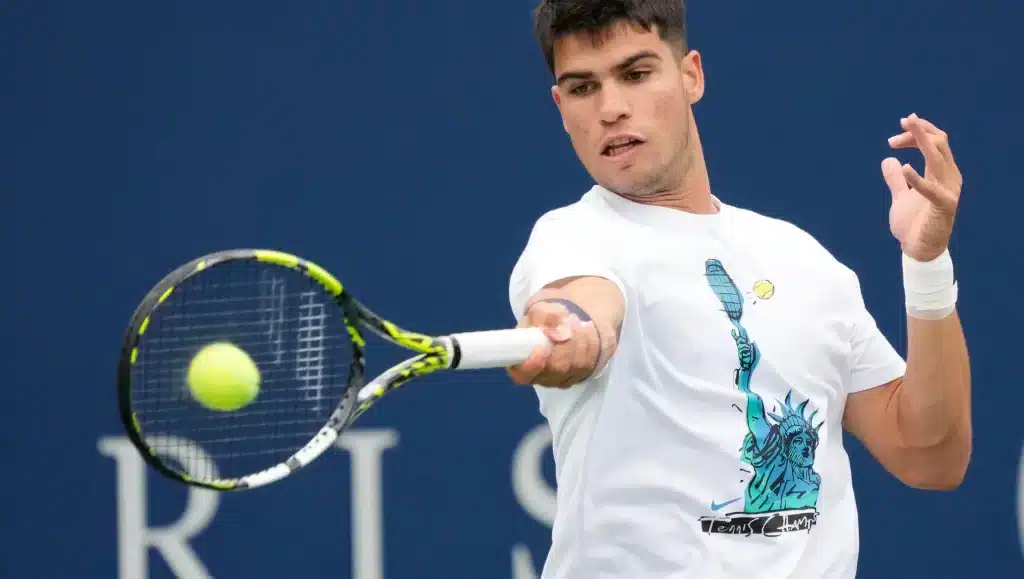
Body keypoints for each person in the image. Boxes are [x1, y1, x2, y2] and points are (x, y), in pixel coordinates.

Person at [505, 1, 972, 578]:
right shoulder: (571, 238)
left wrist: (927, 266)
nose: (611, 109)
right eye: (582, 88)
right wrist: (571, 334)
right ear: (561, 107)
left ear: (690, 74)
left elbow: (932, 456)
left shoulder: (802, 259)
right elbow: (583, 305)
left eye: (635, 74)